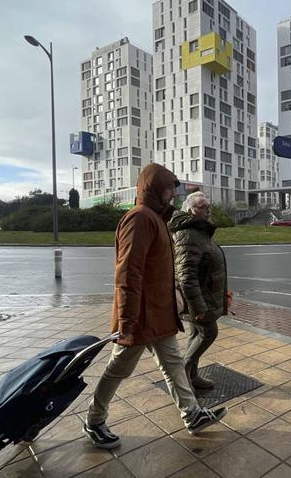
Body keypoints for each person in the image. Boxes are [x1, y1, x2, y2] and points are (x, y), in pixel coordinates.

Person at [83, 164, 226, 449]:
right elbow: (128, 272)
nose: (174, 193)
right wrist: (126, 317)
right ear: (154, 188)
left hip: (158, 313)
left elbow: (159, 267)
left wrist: (172, 292)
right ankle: (94, 419)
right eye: (169, 187)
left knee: (173, 364)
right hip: (140, 316)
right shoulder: (139, 219)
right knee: (119, 368)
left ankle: (192, 414)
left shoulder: (157, 219)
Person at [168, 192, 230, 391]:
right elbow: (186, 275)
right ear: (189, 210)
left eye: (208, 206)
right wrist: (198, 307)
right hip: (199, 298)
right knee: (209, 332)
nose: (207, 210)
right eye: (202, 207)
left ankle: (192, 375)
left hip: (205, 295)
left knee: (197, 332)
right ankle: (183, 374)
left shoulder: (198, 230)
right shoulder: (189, 233)